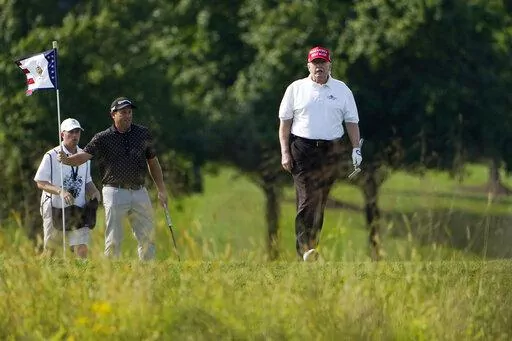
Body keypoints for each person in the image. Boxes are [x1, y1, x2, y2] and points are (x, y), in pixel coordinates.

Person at [278, 46, 362, 262]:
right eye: (315, 63)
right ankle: (305, 249)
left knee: (321, 199)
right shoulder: (296, 89)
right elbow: (284, 125)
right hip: (302, 149)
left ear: (329, 65)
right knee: (308, 197)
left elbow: (351, 122)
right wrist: (285, 153)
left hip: (331, 150)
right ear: (308, 65)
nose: (319, 67)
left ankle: (311, 247)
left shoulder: (342, 90)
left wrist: (356, 149)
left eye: (323, 63)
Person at [58, 97, 168, 260]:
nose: (128, 116)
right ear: (113, 115)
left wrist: (161, 189)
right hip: (115, 192)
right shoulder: (102, 138)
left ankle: (148, 273)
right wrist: (68, 160)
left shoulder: (143, 133)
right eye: (123, 112)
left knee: (147, 237)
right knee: (114, 240)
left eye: (129, 112)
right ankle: (112, 274)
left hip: (139, 192)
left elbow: (153, 162)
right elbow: (84, 156)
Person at [34, 118, 101, 258]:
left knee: (81, 247)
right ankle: (38, 273)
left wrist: (94, 191)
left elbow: (87, 181)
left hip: (78, 208)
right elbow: (40, 182)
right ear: (62, 134)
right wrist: (60, 191)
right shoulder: (51, 156)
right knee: (51, 250)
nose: (75, 135)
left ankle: (82, 277)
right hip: (55, 206)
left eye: (77, 131)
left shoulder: (84, 155)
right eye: (71, 132)